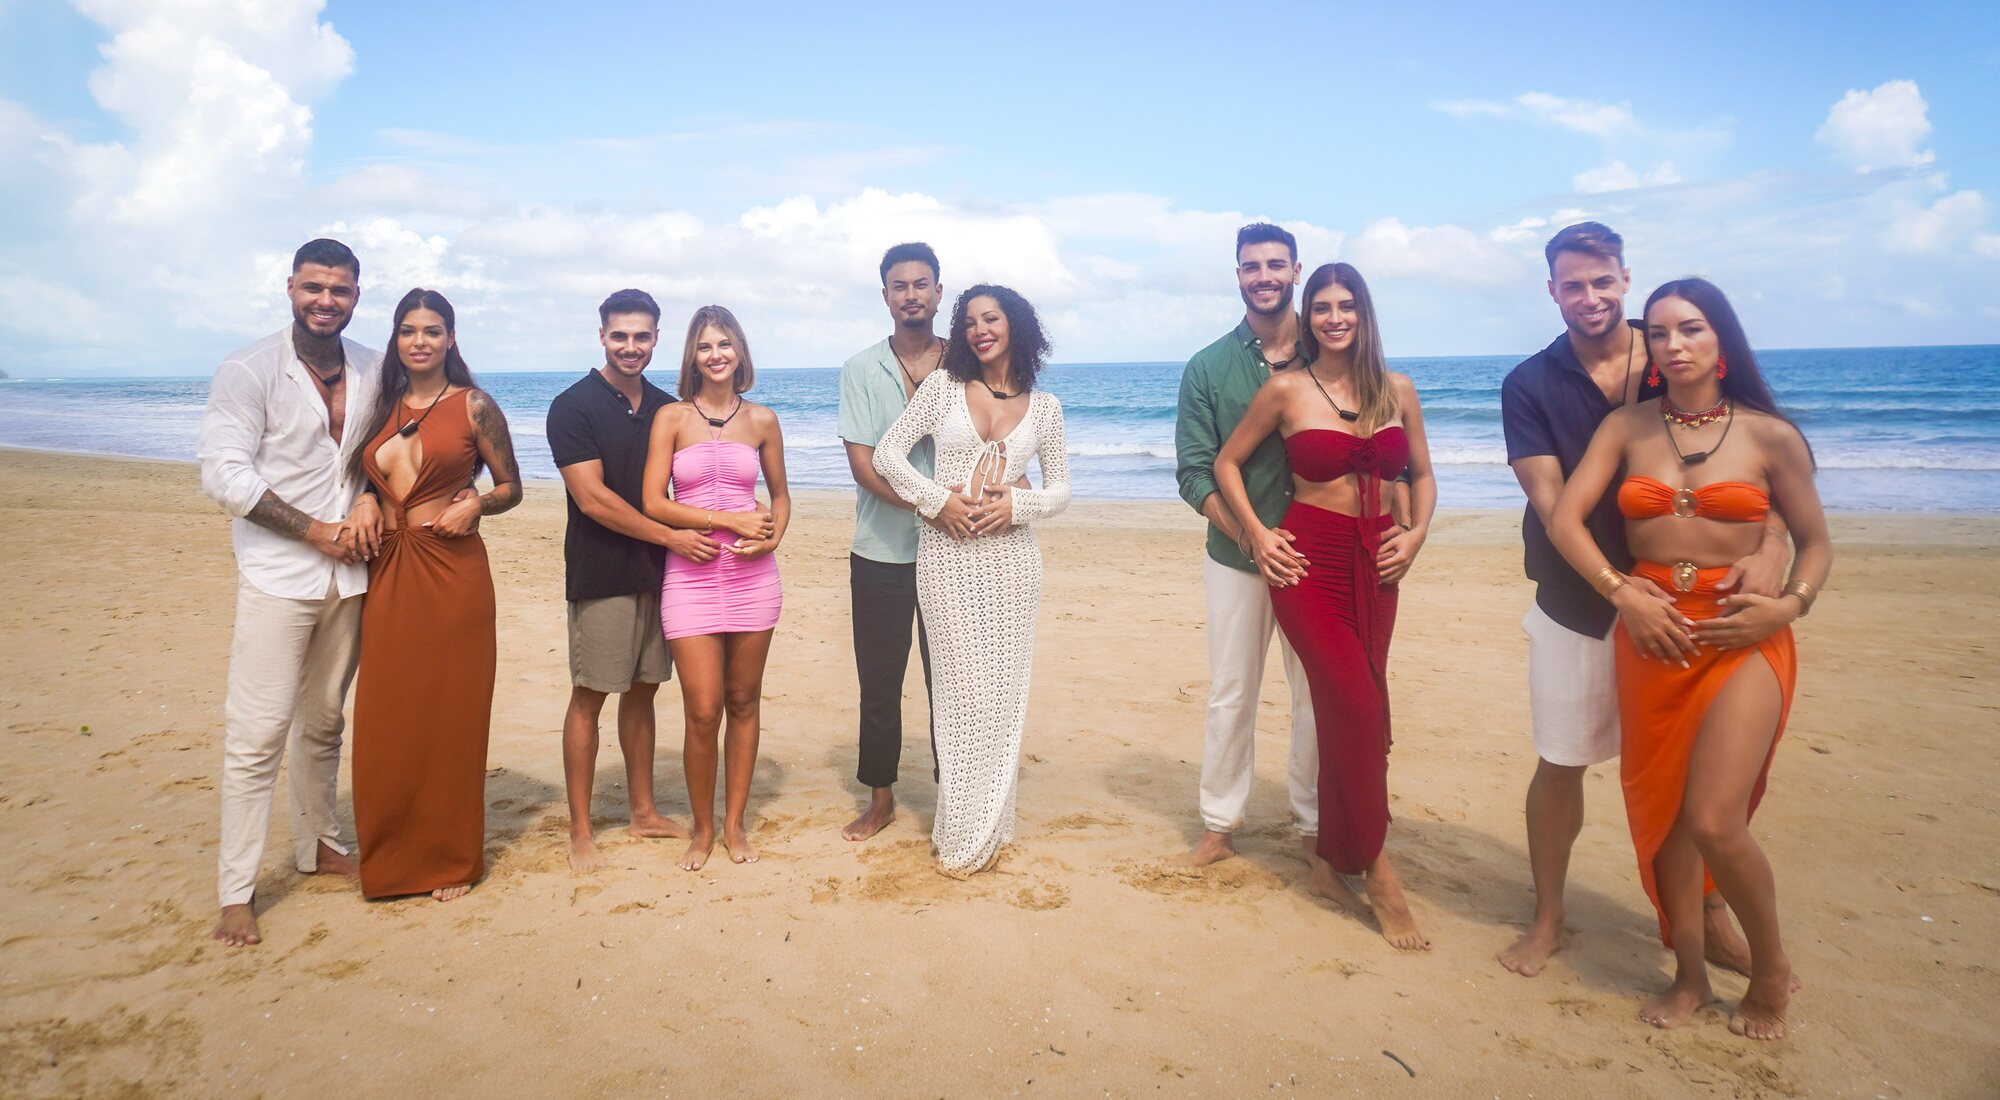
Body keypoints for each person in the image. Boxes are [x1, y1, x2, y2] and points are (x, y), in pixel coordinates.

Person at [1496, 222, 1786, 978]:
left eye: (1602, 281)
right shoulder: (1529, 383)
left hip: (1688, 603)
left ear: (1625, 278)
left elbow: (1753, 466)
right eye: (1572, 285)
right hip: (1578, 601)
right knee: (1562, 759)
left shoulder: (1672, 351)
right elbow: (1552, 502)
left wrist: (1771, 547)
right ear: (1552, 291)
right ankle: (1549, 914)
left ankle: (1708, 915)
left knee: (1695, 780)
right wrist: (1620, 590)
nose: (1589, 296)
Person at [1549, 277, 1830, 1040]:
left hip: (1742, 634)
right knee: (1666, 820)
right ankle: (1691, 976)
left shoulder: (1771, 436)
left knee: (1713, 819)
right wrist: (1620, 592)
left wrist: (1788, 605)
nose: (1674, 345)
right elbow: (1567, 520)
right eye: (1661, 333)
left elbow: (1816, 543)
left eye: (1692, 329)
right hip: (1652, 634)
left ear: (1721, 338)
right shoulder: (1626, 427)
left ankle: (1768, 969)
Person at [1213, 262, 1437, 950]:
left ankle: (1325, 864)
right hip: (1308, 564)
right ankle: (1378, 871)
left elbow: (1422, 475)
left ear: (1364, 314)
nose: (1334, 317)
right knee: (1357, 707)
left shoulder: (1398, 390)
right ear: (1308, 317)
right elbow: (1225, 463)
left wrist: (1416, 535)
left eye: (1347, 306)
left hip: (1379, 563)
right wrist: (1258, 534)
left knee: (1364, 708)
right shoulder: (1285, 390)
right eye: (1322, 307)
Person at [196, 238, 380, 946]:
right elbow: (224, 474)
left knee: (325, 718)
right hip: (278, 574)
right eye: (313, 288)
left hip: (352, 574)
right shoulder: (248, 369)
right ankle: (236, 892)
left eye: (339, 290)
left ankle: (319, 845)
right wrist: (314, 531)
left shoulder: (372, 368)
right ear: (291, 289)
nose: (325, 301)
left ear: (356, 295)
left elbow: (375, 459)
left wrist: (365, 502)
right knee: (258, 733)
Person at [872, 284, 1071, 876]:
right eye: (971, 322)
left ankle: (993, 824)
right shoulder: (943, 388)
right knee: (960, 695)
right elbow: (887, 455)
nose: (981, 330)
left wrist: (1019, 505)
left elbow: (1061, 489)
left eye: (992, 319)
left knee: (1003, 697)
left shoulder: (1046, 408)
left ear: (1016, 326)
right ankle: (960, 832)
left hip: (1013, 564)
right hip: (947, 557)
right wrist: (936, 501)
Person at [343, 288, 521, 901]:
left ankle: (450, 860)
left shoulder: (474, 405)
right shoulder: (379, 405)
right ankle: (392, 859)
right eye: (409, 330)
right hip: (388, 571)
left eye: (433, 330)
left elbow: (512, 486)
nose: (420, 341)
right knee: (388, 716)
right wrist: (365, 499)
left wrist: (477, 503)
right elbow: (363, 475)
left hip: (452, 572)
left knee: (451, 715)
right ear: (396, 338)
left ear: (451, 338)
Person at [547, 290, 718, 872]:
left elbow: (691, 483)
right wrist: (671, 537)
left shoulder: (669, 408)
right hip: (601, 572)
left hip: (661, 574)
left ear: (656, 339)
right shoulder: (572, 406)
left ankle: (643, 811)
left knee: (644, 690)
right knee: (590, 694)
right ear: (601, 336)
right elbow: (593, 500)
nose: (630, 346)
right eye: (619, 335)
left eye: (641, 336)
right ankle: (580, 829)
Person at [1172, 222, 1322, 875]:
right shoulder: (1207, 367)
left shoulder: (1331, 351)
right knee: (1232, 690)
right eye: (1252, 266)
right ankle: (1220, 822)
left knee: (1316, 693)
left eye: (1275, 264)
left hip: (1319, 557)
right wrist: (1250, 536)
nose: (1264, 276)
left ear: (1296, 271)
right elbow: (1194, 472)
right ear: (1238, 275)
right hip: (1236, 557)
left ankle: (1314, 822)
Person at [641, 305, 789, 871]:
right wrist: (725, 521)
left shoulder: (763, 420)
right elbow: (653, 502)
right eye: (705, 346)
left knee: (743, 701)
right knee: (703, 710)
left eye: (724, 344)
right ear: (693, 356)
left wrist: (772, 540)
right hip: (691, 575)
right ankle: (702, 829)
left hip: (753, 579)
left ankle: (734, 825)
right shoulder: (671, 418)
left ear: (739, 351)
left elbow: (780, 497)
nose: (716, 354)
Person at [835, 242, 944, 841]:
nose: (911, 295)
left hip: (957, 553)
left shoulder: (966, 364)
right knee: (879, 683)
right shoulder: (860, 369)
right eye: (899, 286)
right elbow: (864, 466)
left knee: (950, 681)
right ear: (885, 296)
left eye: (921, 284)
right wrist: (933, 506)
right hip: (880, 550)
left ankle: (954, 796)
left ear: (938, 292)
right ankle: (880, 798)